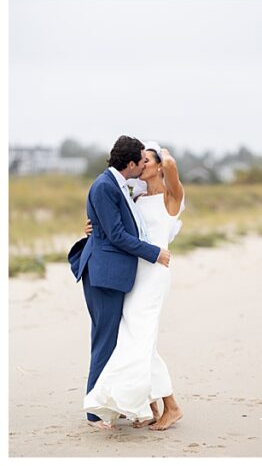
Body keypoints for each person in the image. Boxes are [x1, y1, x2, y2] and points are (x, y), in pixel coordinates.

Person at [80, 141, 185, 431]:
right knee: (133, 338)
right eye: (139, 160)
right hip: (134, 273)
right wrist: (93, 227)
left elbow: (172, 166)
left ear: (158, 165)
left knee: (140, 338)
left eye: (147, 161)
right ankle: (149, 406)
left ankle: (171, 406)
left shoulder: (171, 196)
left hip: (155, 272)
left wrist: (156, 152)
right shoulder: (135, 197)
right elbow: (117, 228)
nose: (143, 164)